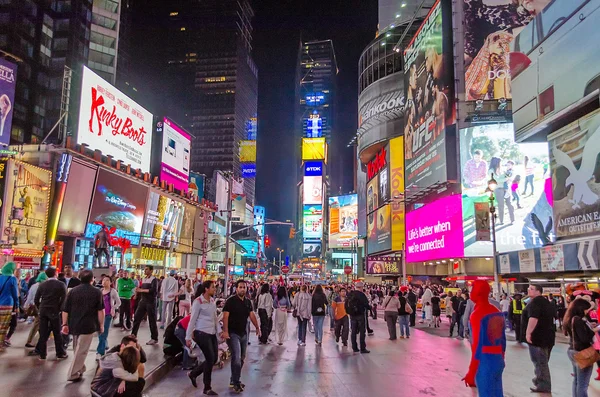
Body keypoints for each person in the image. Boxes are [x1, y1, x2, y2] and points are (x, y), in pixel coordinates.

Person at [62, 269, 104, 382]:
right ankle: (72, 374)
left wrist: (64, 324)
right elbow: (100, 311)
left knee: (77, 349)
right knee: (82, 350)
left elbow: (65, 310)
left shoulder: (72, 291)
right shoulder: (97, 292)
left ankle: (81, 368)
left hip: (73, 324)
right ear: (92, 279)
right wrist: (101, 325)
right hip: (88, 325)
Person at [221, 280, 260, 394]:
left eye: (244, 287)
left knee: (241, 358)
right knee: (236, 357)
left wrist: (257, 327)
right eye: (240, 287)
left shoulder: (248, 302)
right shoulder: (230, 301)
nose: (242, 289)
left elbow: (251, 315)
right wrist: (226, 331)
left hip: (244, 334)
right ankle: (236, 382)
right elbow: (225, 317)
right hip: (233, 334)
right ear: (236, 288)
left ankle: (234, 379)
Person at [186, 280, 219, 396]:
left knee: (214, 359)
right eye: (213, 287)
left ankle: (193, 374)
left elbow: (215, 318)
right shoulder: (198, 302)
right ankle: (207, 387)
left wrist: (219, 332)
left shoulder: (212, 301)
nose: (214, 289)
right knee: (210, 359)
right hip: (201, 333)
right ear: (206, 289)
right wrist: (188, 337)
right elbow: (192, 320)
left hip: (212, 333)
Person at [30, 267, 67, 360]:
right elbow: (64, 299)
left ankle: (42, 354)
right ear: (56, 273)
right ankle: (60, 353)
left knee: (43, 332)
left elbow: (36, 299)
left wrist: (40, 307)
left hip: (43, 310)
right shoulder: (61, 284)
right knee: (57, 332)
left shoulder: (42, 285)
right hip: (54, 310)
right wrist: (59, 309)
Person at [523, 284, 555, 393]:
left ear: (538, 292)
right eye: (528, 288)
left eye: (531, 289)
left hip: (537, 338)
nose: (528, 290)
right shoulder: (547, 302)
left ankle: (543, 385)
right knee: (543, 361)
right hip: (549, 337)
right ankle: (539, 379)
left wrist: (528, 333)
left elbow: (533, 318)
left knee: (540, 362)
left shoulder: (535, 303)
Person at [564, 298, 598, 397]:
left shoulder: (570, 318)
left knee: (577, 381)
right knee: (583, 384)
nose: (588, 311)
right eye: (586, 309)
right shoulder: (578, 319)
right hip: (582, 353)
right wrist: (594, 330)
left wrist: (589, 326)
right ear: (581, 308)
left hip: (572, 350)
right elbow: (584, 338)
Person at [131, 266, 159, 345]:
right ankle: (133, 335)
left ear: (151, 271)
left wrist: (142, 290)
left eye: (146, 269)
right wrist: (136, 293)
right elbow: (139, 288)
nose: (145, 270)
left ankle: (154, 338)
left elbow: (154, 291)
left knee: (152, 320)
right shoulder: (144, 279)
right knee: (136, 317)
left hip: (151, 302)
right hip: (143, 301)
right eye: (144, 269)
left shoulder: (154, 279)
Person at [97, 276, 121, 359]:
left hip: (108, 315)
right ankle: (105, 344)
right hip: (99, 315)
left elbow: (119, 302)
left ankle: (100, 352)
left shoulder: (112, 291)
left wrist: (113, 308)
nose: (105, 282)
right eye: (103, 280)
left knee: (103, 333)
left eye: (107, 280)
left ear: (111, 282)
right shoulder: (100, 291)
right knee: (100, 333)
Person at [24, 271, 47, 347]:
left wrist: (26, 305)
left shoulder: (33, 286)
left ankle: (41, 340)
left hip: (33, 306)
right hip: (39, 306)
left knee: (40, 323)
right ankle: (30, 341)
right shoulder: (43, 286)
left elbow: (29, 297)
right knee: (37, 323)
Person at [346, 281, 370, 353]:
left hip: (352, 315)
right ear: (361, 287)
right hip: (360, 315)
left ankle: (354, 347)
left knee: (353, 331)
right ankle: (362, 348)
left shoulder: (350, 294)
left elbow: (346, 304)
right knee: (362, 332)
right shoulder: (361, 295)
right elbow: (366, 304)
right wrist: (369, 308)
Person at [0, 262, 18, 350]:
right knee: (3, 326)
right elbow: (15, 295)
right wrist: (17, 306)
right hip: (7, 304)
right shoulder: (12, 279)